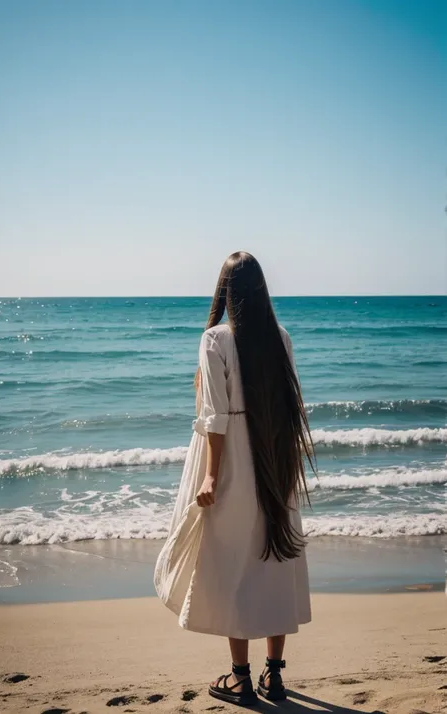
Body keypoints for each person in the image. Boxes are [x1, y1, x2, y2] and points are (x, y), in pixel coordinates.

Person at [154, 251, 315, 706]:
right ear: (262, 290)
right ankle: (275, 677)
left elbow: (215, 418)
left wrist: (209, 477)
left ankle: (241, 678)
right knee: (275, 559)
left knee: (231, 567)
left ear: (225, 292)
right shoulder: (279, 336)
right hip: (274, 455)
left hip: (232, 466)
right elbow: (289, 407)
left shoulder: (215, 339)